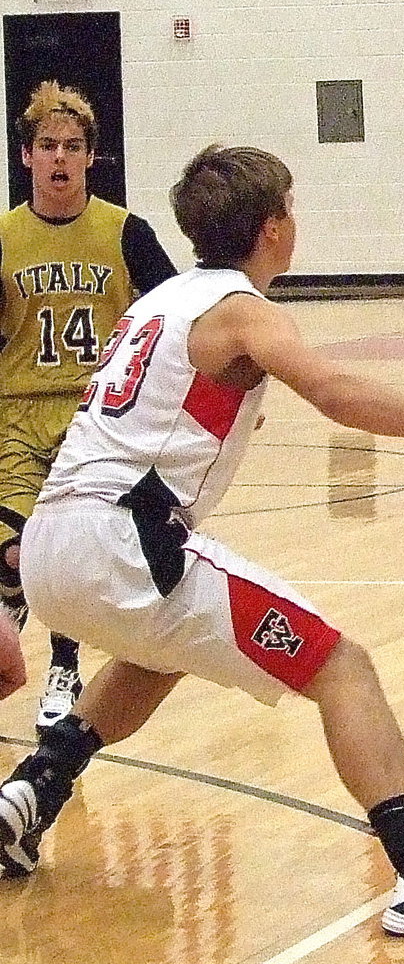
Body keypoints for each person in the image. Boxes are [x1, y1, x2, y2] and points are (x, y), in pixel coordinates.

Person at [0, 144, 404, 936]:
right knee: (342, 668)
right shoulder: (240, 310)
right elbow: (333, 390)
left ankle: (32, 795)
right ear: (273, 227)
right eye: (290, 209)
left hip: (54, 541)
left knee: (164, 649)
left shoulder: (158, 303)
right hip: (123, 539)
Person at [0, 81, 176, 733]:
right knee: (15, 555)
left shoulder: (125, 232)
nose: (59, 158)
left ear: (90, 157)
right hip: (17, 420)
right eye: (47, 145)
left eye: (72, 147)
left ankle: (65, 666)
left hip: (96, 423)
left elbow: (178, 319)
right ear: (26, 156)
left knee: (65, 556)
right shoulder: (5, 237)